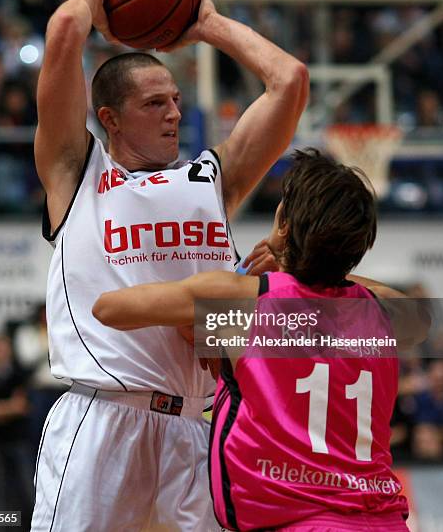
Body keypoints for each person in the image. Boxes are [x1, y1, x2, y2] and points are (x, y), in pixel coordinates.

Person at [32, 0, 308, 532]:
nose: (174, 113)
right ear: (109, 117)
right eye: (154, 103)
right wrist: (92, 0)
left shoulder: (212, 180)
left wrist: (207, 22)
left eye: (176, 100)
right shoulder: (76, 175)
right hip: (103, 415)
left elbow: (290, 81)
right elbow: (62, 33)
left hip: (195, 425)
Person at [93, 149, 419, 531]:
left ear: (283, 224)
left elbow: (110, 309)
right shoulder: (383, 313)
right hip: (383, 522)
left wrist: (253, 273)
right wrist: (306, 267)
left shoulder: (247, 300)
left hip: (301, 523)